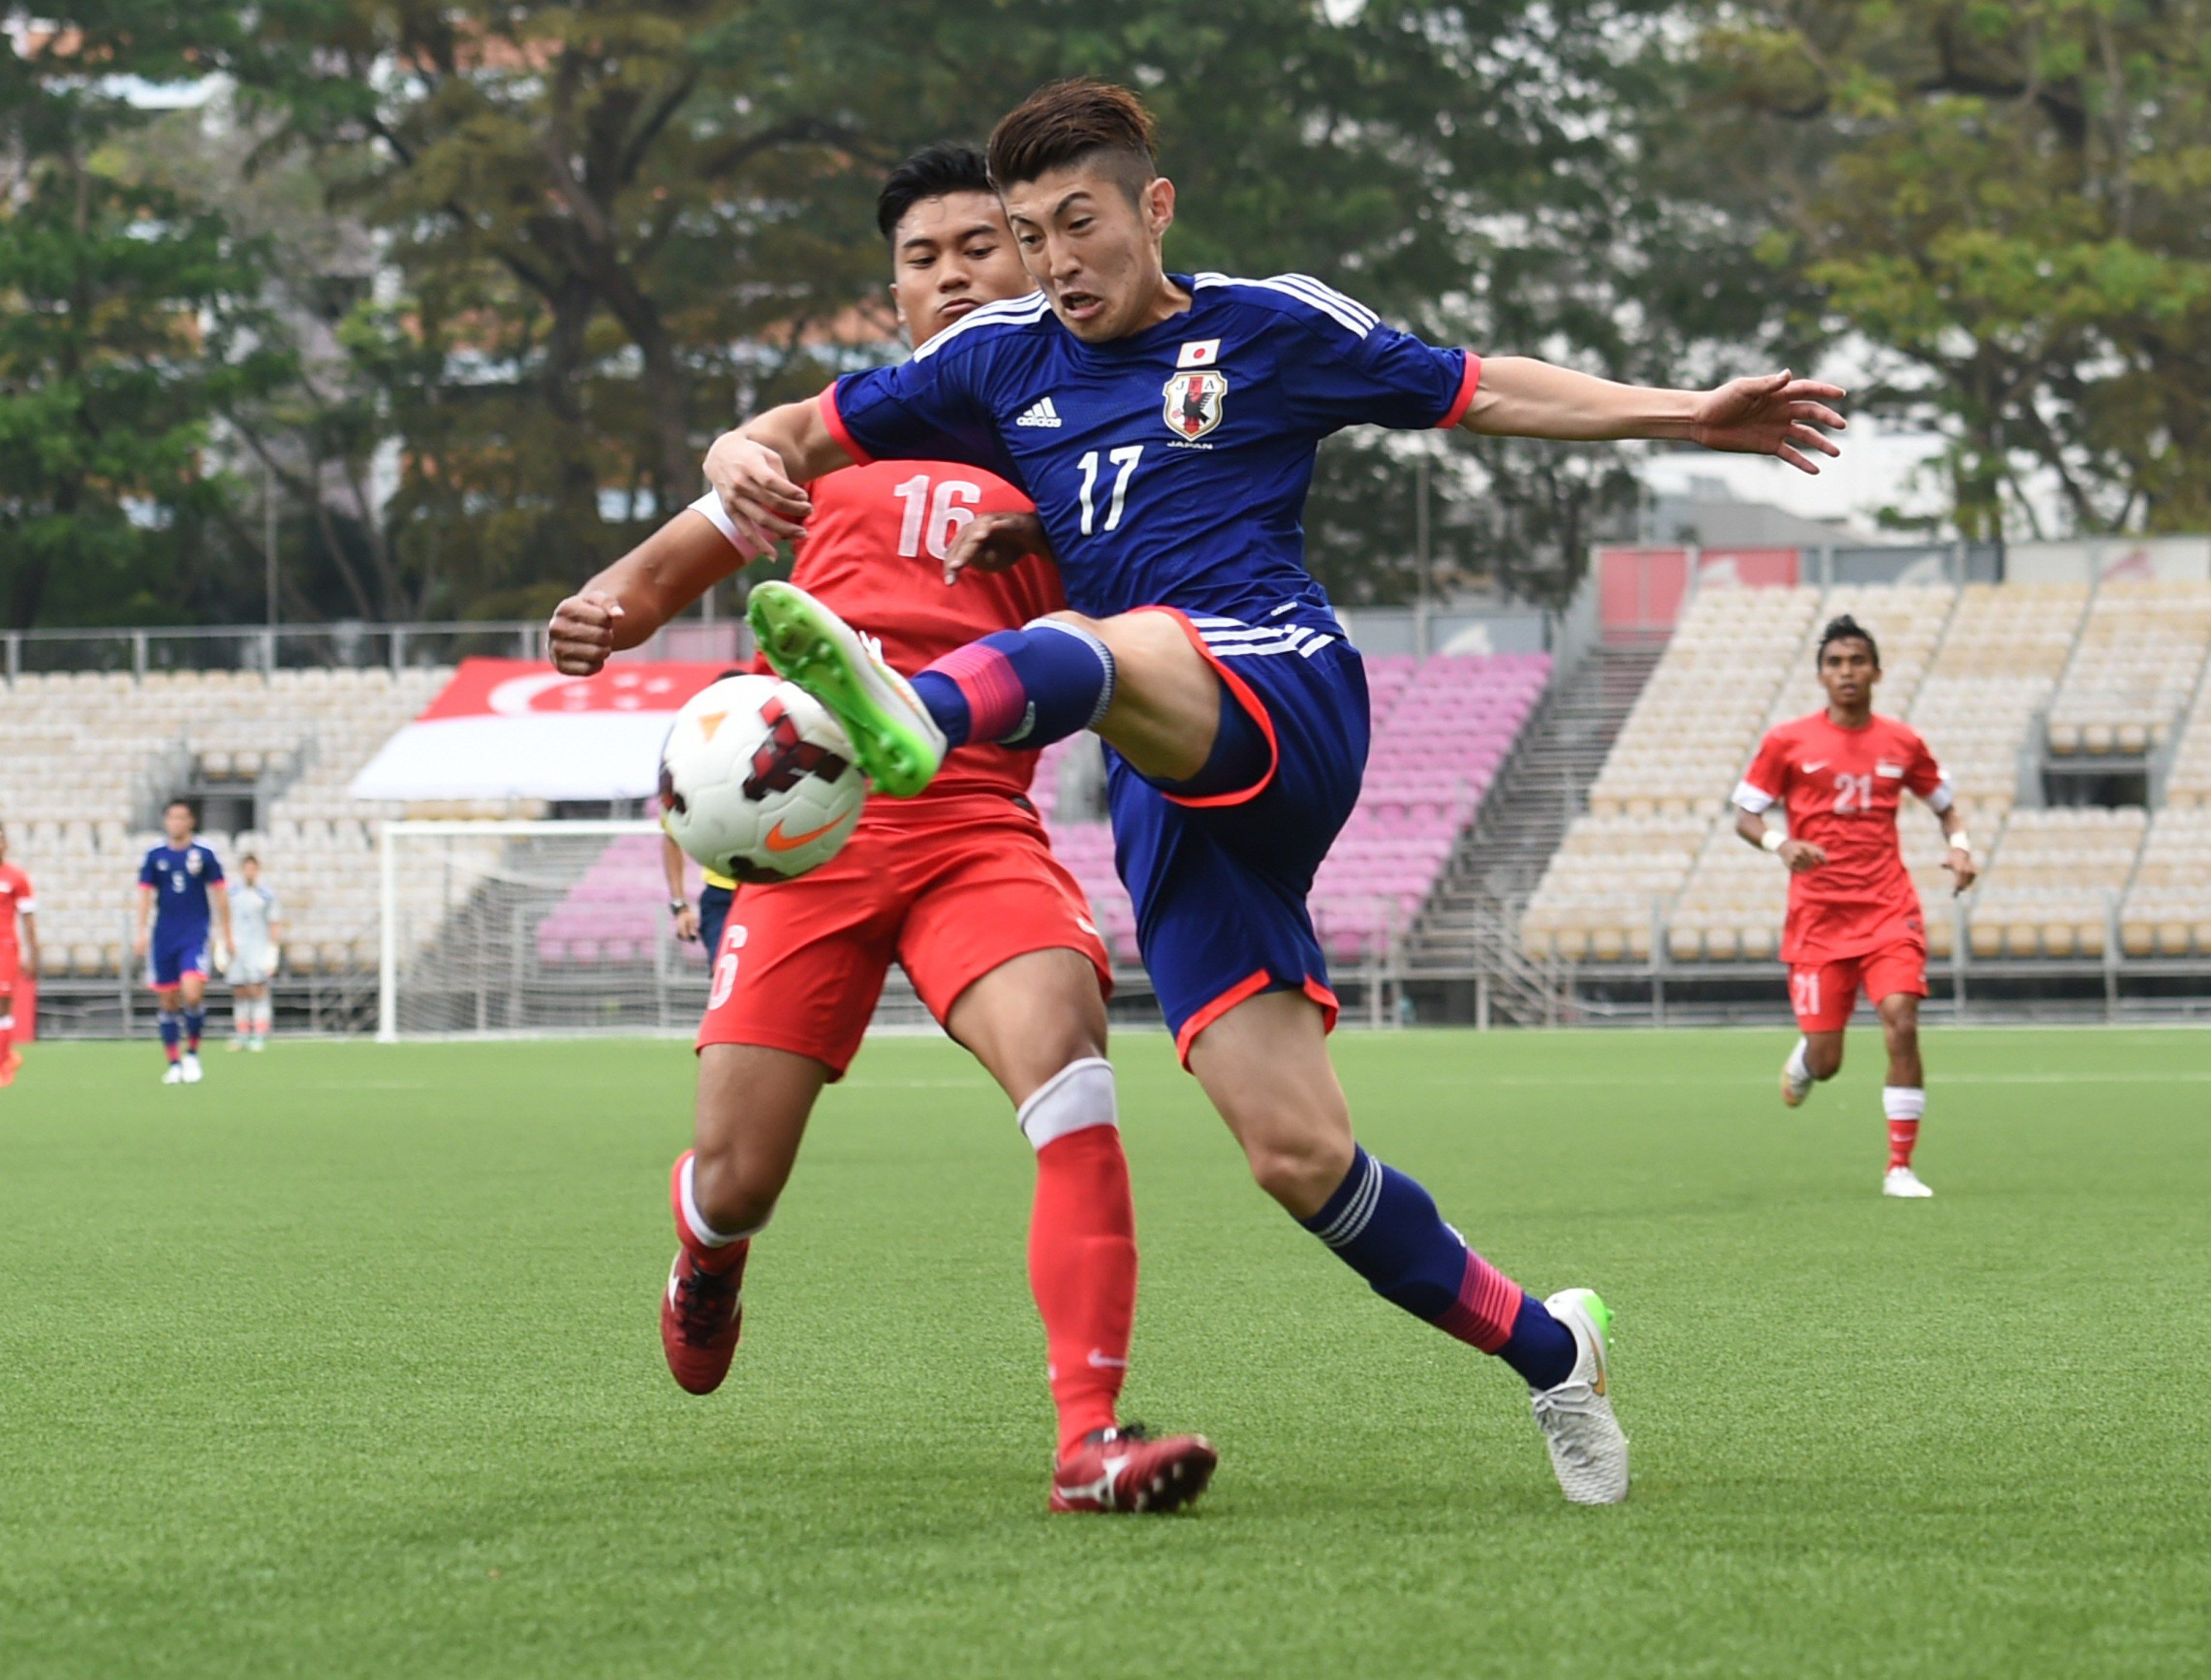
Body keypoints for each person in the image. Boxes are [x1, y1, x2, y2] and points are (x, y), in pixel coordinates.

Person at [666, 80, 1851, 1505]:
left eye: (1078, 225)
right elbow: (810, 427)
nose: (1053, 260)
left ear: (1153, 209)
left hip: (1272, 683)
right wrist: (747, 448)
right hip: (1166, 785)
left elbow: (1482, 388)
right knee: (1298, 1155)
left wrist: (1687, 414)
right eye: (1031, 233)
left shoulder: (1268, 324)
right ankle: (1554, 1349)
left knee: (1085, 648)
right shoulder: (998, 358)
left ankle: (894, 720)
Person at [549, 144, 1214, 1514]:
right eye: (925, 258)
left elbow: (1157, 612)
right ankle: (707, 1248)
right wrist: (599, 610)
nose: (958, 272)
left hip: (974, 815)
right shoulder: (834, 432)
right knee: (738, 1174)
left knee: (1072, 1070)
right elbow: (665, 568)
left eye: (985, 245)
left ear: (1037, 260)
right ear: (891, 295)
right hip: (809, 829)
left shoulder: (1086, 432)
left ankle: (1088, 1439)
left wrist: (1048, 533)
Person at [1734, 614, 1976, 1197]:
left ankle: (1900, 1166)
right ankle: (1807, 1059)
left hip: (1888, 908)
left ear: (1876, 671)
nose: (1847, 672)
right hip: (1818, 918)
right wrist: (1780, 842)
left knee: (1901, 1020)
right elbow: (1746, 814)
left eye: (1857, 661)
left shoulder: (1902, 741)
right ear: (1820, 674)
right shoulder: (1787, 741)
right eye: (1835, 662)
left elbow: (1946, 806)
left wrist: (1960, 847)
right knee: (1828, 1058)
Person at [133, 800, 231, 1086]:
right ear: (166, 821)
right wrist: (141, 932)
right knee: (168, 1002)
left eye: (181, 817)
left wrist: (227, 934)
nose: (176, 822)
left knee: (192, 994)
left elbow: (220, 894)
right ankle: (174, 1062)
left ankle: (193, 1055)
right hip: (164, 935)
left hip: (195, 933)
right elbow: (145, 896)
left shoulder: (205, 853)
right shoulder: (155, 855)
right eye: (171, 817)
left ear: (191, 822)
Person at [225, 854, 285, 1052]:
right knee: (240, 991)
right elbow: (224, 919)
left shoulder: (266, 895)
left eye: (253, 869)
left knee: (258, 990)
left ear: (257, 871)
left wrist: (272, 949)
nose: (250, 872)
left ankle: (259, 1035)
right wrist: (223, 942)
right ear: (242, 870)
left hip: (258, 948)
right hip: (237, 949)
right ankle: (242, 1035)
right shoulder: (232, 893)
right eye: (247, 868)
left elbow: (274, 922)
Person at [0, 822, 38, 1089]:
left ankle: (4, 1063)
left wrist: (34, 953)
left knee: (2, 1006)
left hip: (5, 948)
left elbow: (28, 919)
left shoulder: (17, 877)